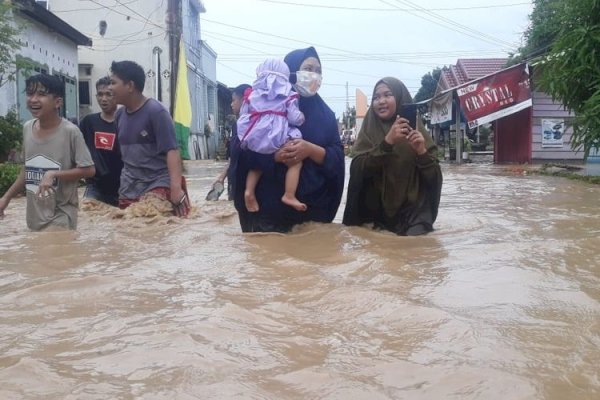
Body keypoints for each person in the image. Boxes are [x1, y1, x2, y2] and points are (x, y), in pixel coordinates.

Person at [232, 47, 345, 233]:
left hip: (314, 217)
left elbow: (338, 159)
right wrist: (274, 157)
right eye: (308, 69)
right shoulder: (263, 105)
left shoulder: (326, 116)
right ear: (290, 70)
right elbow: (241, 154)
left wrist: (311, 150)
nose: (314, 75)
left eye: (318, 71)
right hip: (270, 215)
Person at [342, 77, 443, 236]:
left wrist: (422, 152)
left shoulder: (417, 132)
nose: (381, 101)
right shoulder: (368, 132)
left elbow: (434, 179)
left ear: (400, 98)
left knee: (417, 250)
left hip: (413, 215)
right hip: (375, 214)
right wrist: (387, 143)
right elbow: (357, 171)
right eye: (376, 97)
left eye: (387, 95)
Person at [0, 74, 95, 230]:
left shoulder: (70, 132)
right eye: (30, 93)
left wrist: (53, 174)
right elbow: (26, 170)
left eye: (42, 94)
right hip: (34, 218)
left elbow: (89, 170)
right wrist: (6, 198)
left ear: (58, 102)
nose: (34, 99)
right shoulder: (27, 128)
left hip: (61, 216)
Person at [109, 60, 189, 217]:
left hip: (157, 183)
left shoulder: (156, 112)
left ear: (130, 86)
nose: (110, 88)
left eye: (113, 83)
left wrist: (176, 188)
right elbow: (121, 157)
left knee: (155, 230)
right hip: (129, 188)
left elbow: (172, 151)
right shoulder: (119, 116)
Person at [237, 58, 306, 212]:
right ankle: (289, 194)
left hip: (255, 136)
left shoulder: (252, 95)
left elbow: (243, 114)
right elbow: (294, 118)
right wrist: (302, 117)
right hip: (278, 136)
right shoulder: (288, 94)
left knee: (257, 165)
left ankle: (249, 192)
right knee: (295, 162)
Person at [80, 76, 123, 206]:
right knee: (88, 216)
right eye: (100, 94)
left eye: (108, 94)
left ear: (116, 96)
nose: (103, 99)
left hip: (123, 186)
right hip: (96, 186)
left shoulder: (125, 122)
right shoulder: (88, 122)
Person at [210, 84, 251, 201]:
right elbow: (234, 158)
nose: (231, 104)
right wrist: (222, 178)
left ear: (244, 100)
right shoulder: (236, 126)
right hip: (234, 183)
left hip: (246, 184)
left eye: (234, 100)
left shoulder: (254, 126)